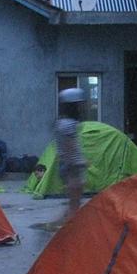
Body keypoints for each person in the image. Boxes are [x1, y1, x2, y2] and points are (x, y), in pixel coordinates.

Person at [55, 88, 87, 224]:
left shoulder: (61, 123)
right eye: (80, 104)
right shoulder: (69, 124)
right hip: (72, 167)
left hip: (66, 165)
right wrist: (79, 162)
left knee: (73, 202)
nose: (82, 108)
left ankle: (59, 223)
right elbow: (69, 146)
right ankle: (68, 233)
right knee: (75, 204)